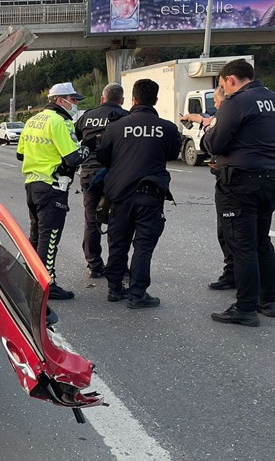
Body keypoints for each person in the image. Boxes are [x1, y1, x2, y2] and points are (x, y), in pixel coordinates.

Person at [202, 59, 275, 327]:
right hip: (269, 179)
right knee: (260, 240)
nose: (224, 90)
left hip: (240, 181)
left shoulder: (237, 102)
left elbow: (216, 141)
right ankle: (269, 299)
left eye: (223, 85)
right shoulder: (271, 99)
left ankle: (245, 307)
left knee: (242, 245)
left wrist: (208, 130)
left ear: (230, 80)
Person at [97, 79, 180, 308]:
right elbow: (172, 154)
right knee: (143, 246)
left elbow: (103, 157)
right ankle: (137, 294)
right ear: (155, 99)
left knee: (118, 242)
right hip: (149, 194)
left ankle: (114, 288)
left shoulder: (115, 127)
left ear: (133, 99)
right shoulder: (168, 127)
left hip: (120, 194)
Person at [16, 82, 89, 300]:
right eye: (73, 99)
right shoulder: (59, 122)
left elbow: (20, 155)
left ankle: (31, 280)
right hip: (52, 186)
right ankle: (47, 284)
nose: (75, 104)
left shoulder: (32, 120)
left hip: (32, 185)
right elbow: (73, 157)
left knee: (36, 235)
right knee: (49, 237)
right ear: (59, 100)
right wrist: (88, 147)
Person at [74, 83, 130, 279]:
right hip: (115, 175)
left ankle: (94, 265)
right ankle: (118, 266)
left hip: (89, 173)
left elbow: (77, 136)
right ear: (121, 100)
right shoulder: (126, 117)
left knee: (92, 220)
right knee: (118, 221)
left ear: (102, 99)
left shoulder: (88, 115)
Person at [191, 87, 236, 291]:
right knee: (254, 238)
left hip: (233, 183)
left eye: (217, 102)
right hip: (256, 178)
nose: (216, 106)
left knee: (232, 234)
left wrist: (207, 127)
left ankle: (236, 278)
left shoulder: (228, 115)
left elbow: (211, 144)